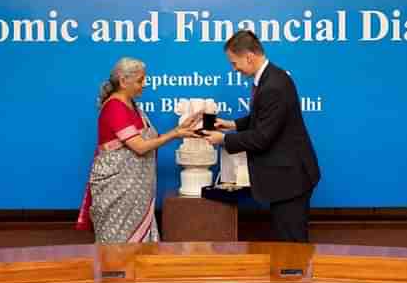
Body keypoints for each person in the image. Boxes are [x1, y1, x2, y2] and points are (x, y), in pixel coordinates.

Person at [203, 31, 321, 242]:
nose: (234, 68)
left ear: (249, 56)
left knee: (292, 244)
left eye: (234, 62)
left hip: (290, 180)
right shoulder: (270, 78)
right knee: (287, 240)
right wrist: (232, 124)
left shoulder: (273, 86)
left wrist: (223, 140)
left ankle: (296, 275)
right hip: (287, 178)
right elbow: (264, 117)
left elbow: (262, 137)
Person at [88, 57, 199, 243]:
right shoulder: (115, 107)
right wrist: (175, 134)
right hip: (118, 191)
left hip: (137, 193)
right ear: (123, 81)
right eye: (140, 80)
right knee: (118, 246)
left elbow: (149, 139)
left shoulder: (133, 106)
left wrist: (179, 130)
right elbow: (139, 147)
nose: (144, 85)